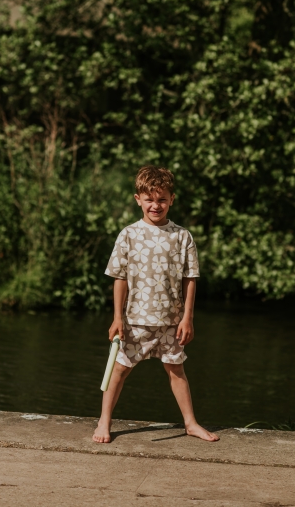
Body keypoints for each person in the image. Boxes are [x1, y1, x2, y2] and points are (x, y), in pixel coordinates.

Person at [92, 165, 219, 444]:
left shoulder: (182, 236)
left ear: (172, 199)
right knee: (119, 370)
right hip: (135, 320)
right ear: (138, 199)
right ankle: (104, 421)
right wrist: (117, 317)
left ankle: (190, 423)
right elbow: (120, 278)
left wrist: (187, 318)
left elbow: (190, 279)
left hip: (172, 322)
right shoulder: (128, 234)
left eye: (162, 199)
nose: (155, 205)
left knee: (177, 371)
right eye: (149, 199)